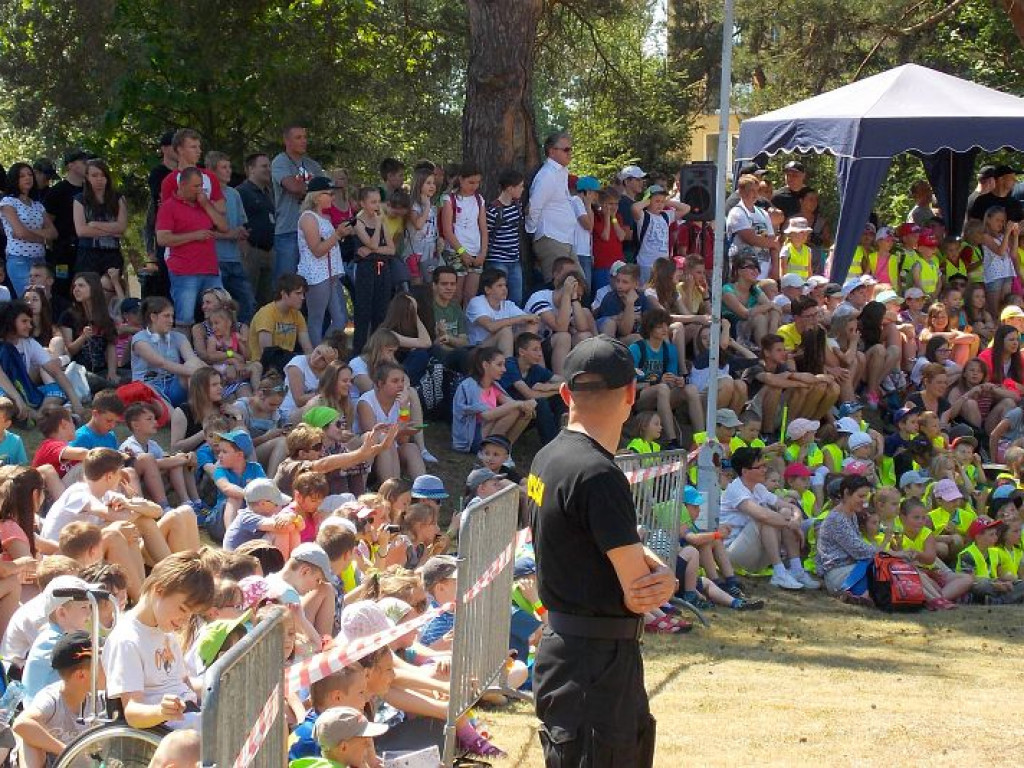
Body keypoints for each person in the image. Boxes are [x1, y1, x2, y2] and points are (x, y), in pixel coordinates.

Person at [528, 335, 676, 767]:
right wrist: (660, 573)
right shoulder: (598, 473)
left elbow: (594, 542)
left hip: (569, 652)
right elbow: (640, 590)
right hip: (595, 664)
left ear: (565, 393)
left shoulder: (550, 456)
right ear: (631, 394)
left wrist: (647, 563)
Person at [102, 551, 215, 730]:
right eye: (183, 609)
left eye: (192, 614)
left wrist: (220, 683)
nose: (186, 620)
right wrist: (161, 711)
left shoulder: (167, 632)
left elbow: (183, 682)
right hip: (166, 731)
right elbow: (132, 713)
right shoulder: (127, 640)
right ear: (159, 590)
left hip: (191, 715)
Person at [720, 447, 818, 590]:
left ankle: (796, 570)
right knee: (766, 519)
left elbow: (791, 507)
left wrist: (795, 519)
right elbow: (763, 515)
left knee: (783, 511)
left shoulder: (759, 488)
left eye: (764, 465)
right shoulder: (735, 489)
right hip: (733, 554)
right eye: (759, 467)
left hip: (756, 552)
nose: (764, 470)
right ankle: (779, 572)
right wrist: (789, 522)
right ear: (745, 471)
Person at [155, 166, 230, 329]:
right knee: (185, 318)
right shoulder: (169, 207)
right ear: (182, 186)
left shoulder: (204, 203)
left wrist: (206, 205)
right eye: (195, 186)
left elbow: (224, 226)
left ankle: (218, 349)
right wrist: (194, 236)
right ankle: (184, 352)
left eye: (201, 185)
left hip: (210, 269)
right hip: (184, 271)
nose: (199, 190)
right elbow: (162, 238)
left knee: (221, 313)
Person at [298, 177, 351, 346]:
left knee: (341, 319)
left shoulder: (324, 218)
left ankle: (324, 350)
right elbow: (317, 250)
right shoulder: (308, 218)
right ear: (316, 197)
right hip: (316, 276)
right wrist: (337, 235)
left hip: (331, 275)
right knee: (317, 318)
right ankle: (315, 356)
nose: (333, 198)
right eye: (329, 194)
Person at [206, 151, 256, 324]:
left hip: (235, 259)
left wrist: (242, 233)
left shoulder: (234, 194)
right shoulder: (206, 196)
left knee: (247, 302)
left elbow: (241, 223)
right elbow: (206, 231)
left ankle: (242, 339)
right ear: (212, 171)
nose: (228, 171)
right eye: (223, 167)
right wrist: (229, 234)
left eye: (229, 167)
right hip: (215, 259)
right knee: (217, 305)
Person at [131, 296, 205, 407]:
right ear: (153, 317)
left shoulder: (178, 337)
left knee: (193, 363)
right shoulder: (139, 340)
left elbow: (192, 359)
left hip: (172, 385)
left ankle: (201, 411)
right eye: (166, 316)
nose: (171, 320)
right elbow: (161, 363)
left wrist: (210, 372)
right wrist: (199, 374)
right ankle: (180, 415)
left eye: (172, 316)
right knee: (193, 371)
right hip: (148, 387)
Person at [815, 475, 878, 603]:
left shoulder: (851, 514)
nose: (864, 501)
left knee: (888, 569)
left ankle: (862, 596)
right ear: (846, 493)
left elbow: (861, 548)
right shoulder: (837, 519)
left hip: (853, 567)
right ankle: (861, 595)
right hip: (839, 574)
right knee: (884, 570)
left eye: (866, 496)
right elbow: (859, 550)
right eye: (860, 496)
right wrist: (887, 552)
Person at [273, 122, 324, 279]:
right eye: (298, 137)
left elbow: (326, 191)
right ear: (287, 141)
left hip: (313, 231)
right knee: (287, 281)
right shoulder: (280, 162)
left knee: (311, 280)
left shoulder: (312, 165)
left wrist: (309, 190)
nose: (304, 141)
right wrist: (313, 190)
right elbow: (293, 187)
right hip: (288, 230)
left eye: (305, 137)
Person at [526, 132, 577, 282]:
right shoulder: (547, 174)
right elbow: (534, 206)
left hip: (564, 237)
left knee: (579, 285)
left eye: (570, 149)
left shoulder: (561, 172)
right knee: (559, 285)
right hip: (551, 237)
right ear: (552, 151)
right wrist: (532, 231)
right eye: (566, 150)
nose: (570, 153)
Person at [1, 163, 57, 297]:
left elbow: (54, 233)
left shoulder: (37, 205)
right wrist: (43, 238)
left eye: (30, 174)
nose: (28, 178)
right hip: (19, 259)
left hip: (40, 259)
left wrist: (27, 232)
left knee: (44, 300)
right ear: (14, 179)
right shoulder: (8, 202)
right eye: (22, 176)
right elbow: (20, 233)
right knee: (31, 299)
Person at [72, 158, 128, 277]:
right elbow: (81, 231)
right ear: (87, 177)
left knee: (111, 289)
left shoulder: (119, 198)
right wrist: (112, 231)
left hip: (112, 254)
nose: (99, 179)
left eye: (103, 175)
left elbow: (122, 227)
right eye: (94, 175)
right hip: (87, 254)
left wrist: (94, 224)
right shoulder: (80, 199)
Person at [248, 274, 313, 374]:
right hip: (264, 367)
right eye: (298, 293)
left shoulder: (297, 315)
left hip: (288, 362)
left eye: (303, 294)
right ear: (284, 294)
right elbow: (266, 353)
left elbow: (307, 348)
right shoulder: (266, 313)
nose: (302, 298)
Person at [237, 152, 277, 308]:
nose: (268, 170)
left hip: (269, 252)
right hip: (251, 252)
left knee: (266, 300)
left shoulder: (268, 193)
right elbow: (236, 220)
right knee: (248, 298)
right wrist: (244, 247)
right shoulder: (241, 192)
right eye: (264, 166)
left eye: (269, 166)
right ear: (251, 169)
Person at [485, 168, 527, 306]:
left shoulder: (517, 206)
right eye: (520, 186)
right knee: (498, 297)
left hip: (514, 259)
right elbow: (487, 233)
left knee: (516, 299)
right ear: (510, 188)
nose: (522, 189)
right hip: (497, 260)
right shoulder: (493, 210)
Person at [727, 174, 778, 280]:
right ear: (741, 192)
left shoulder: (763, 213)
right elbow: (751, 239)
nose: (755, 194)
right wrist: (773, 243)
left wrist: (775, 268)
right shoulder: (737, 212)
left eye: (757, 190)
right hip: (743, 271)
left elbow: (772, 241)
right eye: (751, 190)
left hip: (764, 271)